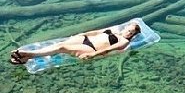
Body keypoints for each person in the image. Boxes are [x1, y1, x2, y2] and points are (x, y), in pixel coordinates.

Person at [10, 22, 142, 64]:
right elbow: (97, 31)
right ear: (126, 27)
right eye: (128, 29)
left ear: (132, 36)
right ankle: (26, 57)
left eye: (131, 33)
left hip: (92, 48)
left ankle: (28, 55)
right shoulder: (115, 30)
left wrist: (93, 55)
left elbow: (108, 50)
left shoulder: (123, 41)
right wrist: (83, 34)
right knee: (59, 45)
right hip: (85, 39)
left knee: (61, 47)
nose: (128, 33)